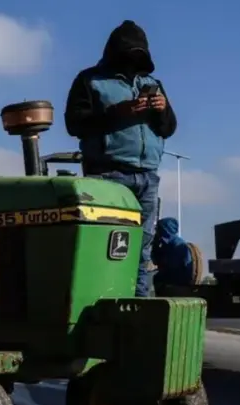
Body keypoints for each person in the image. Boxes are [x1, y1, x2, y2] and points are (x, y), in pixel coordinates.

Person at [64, 20, 177, 297]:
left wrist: (162, 110)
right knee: (107, 244)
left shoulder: (153, 84)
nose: (133, 59)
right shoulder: (89, 80)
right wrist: (120, 111)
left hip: (147, 175)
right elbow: (74, 124)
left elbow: (169, 128)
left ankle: (138, 307)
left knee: (143, 246)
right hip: (107, 174)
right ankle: (102, 301)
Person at [152, 217, 197, 290]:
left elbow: (171, 266)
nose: (156, 231)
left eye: (158, 228)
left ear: (164, 229)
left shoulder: (178, 245)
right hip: (170, 278)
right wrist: (155, 246)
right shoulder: (165, 244)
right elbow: (156, 261)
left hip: (178, 281)